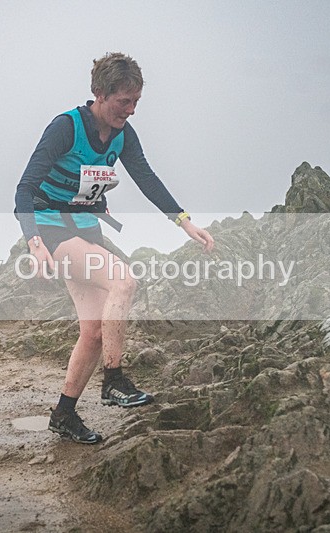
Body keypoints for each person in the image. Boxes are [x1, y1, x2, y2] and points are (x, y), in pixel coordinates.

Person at [15, 52, 215, 444]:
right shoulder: (65, 128)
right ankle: (114, 380)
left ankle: (64, 414)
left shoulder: (123, 134)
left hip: (88, 229)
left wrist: (184, 221)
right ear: (100, 94)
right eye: (125, 101)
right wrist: (34, 242)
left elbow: (146, 178)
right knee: (123, 281)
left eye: (137, 101)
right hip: (53, 229)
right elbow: (25, 187)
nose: (132, 110)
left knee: (92, 331)